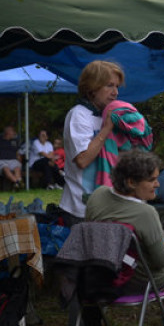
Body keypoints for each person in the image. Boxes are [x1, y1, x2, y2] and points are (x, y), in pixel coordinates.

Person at [84, 149, 164, 326]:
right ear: (132, 182)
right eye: (152, 180)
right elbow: (161, 261)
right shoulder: (145, 213)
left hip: (97, 277)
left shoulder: (97, 196)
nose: (158, 185)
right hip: (134, 280)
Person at [60, 60, 123, 227]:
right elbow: (82, 160)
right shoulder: (79, 115)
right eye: (109, 85)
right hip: (81, 210)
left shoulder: (107, 115)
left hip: (106, 207)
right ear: (92, 88)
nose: (115, 92)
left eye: (117, 86)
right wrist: (106, 129)